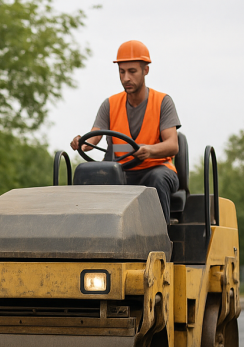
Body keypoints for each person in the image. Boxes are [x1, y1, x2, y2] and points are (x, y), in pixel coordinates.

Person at [71, 40, 181, 222]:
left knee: (158, 179)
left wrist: (149, 151)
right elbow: (94, 138)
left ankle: (160, 242)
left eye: (132, 71)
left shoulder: (163, 102)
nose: (126, 78)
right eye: (122, 72)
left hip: (154, 169)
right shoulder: (110, 104)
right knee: (88, 175)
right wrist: (80, 143)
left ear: (145, 70)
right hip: (119, 172)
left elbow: (172, 145)